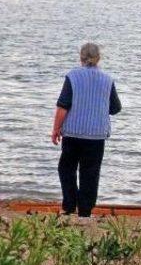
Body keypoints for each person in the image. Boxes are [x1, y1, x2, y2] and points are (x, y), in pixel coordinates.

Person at [51, 43, 121, 217]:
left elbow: (62, 106)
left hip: (73, 132)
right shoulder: (107, 79)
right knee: (90, 173)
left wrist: (56, 129)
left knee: (66, 168)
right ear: (99, 58)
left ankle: (69, 204)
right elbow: (115, 108)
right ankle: (85, 211)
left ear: (81, 57)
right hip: (96, 134)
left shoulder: (73, 76)